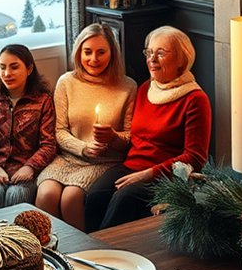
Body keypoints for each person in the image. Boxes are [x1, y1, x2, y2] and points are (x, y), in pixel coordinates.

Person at [85, 26, 211, 231]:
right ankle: (89, 247)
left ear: (181, 61)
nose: (152, 59)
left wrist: (149, 173)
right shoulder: (145, 89)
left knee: (124, 198)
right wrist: (112, 137)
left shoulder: (195, 99)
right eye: (149, 52)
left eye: (160, 53)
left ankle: (104, 248)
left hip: (165, 177)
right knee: (95, 195)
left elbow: (195, 158)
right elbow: (135, 138)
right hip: (131, 166)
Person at [35, 24, 137, 231]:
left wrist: (112, 137)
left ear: (112, 53)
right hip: (68, 157)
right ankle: (48, 247)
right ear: (78, 52)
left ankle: (84, 248)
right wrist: (83, 148)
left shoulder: (127, 86)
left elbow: (129, 137)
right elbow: (59, 131)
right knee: (46, 194)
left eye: (101, 52)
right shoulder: (66, 82)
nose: (93, 59)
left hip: (104, 161)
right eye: (87, 52)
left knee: (70, 199)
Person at [0, 44, 57, 212]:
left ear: (29, 69)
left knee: (16, 195)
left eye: (14, 67)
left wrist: (30, 167)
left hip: (27, 172)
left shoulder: (43, 101)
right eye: (2, 67)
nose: (7, 73)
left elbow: (49, 144)